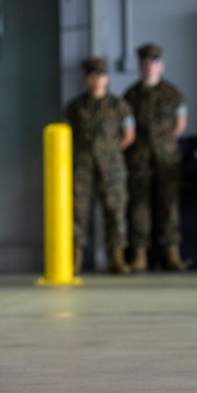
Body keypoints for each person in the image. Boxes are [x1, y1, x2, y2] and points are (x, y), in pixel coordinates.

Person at [63, 57, 135, 275]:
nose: (97, 79)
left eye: (101, 75)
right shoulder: (75, 107)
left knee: (116, 211)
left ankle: (117, 258)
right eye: (92, 75)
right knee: (76, 212)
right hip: (81, 167)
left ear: (108, 78)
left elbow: (129, 136)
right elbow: (66, 137)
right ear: (86, 79)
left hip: (112, 167)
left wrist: (109, 152)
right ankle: (74, 258)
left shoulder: (119, 105)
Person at [123, 43, 188, 272]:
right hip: (139, 159)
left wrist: (165, 142)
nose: (149, 67)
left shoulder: (173, 94)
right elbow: (126, 127)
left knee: (169, 206)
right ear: (140, 67)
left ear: (161, 65)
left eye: (154, 62)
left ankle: (172, 253)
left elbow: (180, 124)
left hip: (165, 158)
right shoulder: (130, 96)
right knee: (139, 207)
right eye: (145, 63)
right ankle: (140, 255)